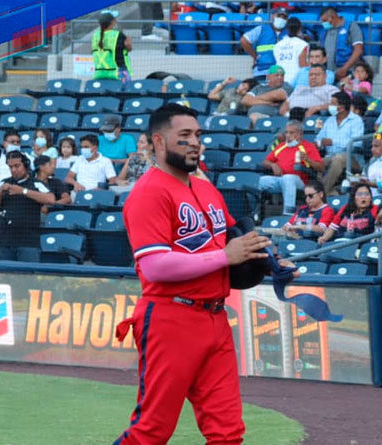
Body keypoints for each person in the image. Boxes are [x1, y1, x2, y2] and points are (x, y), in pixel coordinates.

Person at [115, 103, 297, 444]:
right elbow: (155, 266)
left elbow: (234, 241)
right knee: (151, 431)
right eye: (184, 135)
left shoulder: (205, 188)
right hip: (170, 318)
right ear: (157, 141)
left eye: (198, 135)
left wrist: (273, 263)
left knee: (227, 433)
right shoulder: (148, 193)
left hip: (214, 319)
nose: (195, 142)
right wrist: (225, 256)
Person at [0, 151, 55, 262]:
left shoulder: (35, 183)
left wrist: (23, 191)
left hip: (28, 241)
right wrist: (0, 194)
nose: (14, 170)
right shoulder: (3, 184)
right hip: (5, 241)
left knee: (28, 277)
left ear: (26, 165)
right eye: (10, 167)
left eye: (17, 166)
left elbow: (51, 199)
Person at [259, 120, 324, 214]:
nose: (288, 135)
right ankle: (254, 214)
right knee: (259, 181)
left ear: (300, 134)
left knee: (288, 178)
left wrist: (307, 159)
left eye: (291, 132)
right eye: (286, 132)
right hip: (279, 180)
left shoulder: (308, 147)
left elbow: (321, 167)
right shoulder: (281, 146)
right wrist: (273, 165)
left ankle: (288, 214)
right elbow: (265, 161)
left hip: (300, 182)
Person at [316, 92, 365, 194]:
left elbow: (356, 143)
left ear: (342, 107)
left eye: (333, 104)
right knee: (315, 162)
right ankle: (331, 192)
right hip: (329, 156)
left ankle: (322, 193)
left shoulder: (356, 120)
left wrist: (333, 142)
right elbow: (319, 138)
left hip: (352, 158)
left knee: (339, 158)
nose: (330, 106)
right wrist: (318, 143)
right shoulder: (330, 120)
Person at [317, 183, 382, 244]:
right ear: (353, 197)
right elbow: (332, 228)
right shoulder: (345, 208)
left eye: (367, 194)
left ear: (371, 197)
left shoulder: (374, 209)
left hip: (361, 244)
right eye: (359, 194)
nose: (363, 197)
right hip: (339, 242)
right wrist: (324, 238)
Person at [239, 7, 289, 81]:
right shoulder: (262, 29)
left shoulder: (289, 33)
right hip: (262, 71)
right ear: (273, 16)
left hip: (282, 72)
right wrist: (255, 56)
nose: (281, 19)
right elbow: (244, 40)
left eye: (284, 17)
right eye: (279, 16)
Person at [318, 6, 364, 79]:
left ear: (332, 17)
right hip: (329, 74)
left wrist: (344, 69)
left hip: (348, 72)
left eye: (324, 20)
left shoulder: (351, 26)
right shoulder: (324, 31)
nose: (323, 23)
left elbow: (358, 50)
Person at [92, 11, 132, 84]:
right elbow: (128, 48)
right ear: (113, 21)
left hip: (100, 73)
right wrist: (129, 45)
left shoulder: (95, 35)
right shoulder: (118, 35)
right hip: (117, 72)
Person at [273, 17, 308, 86]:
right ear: (300, 28)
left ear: (286, 28)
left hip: (280, 78)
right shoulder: (303, 44)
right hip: (295, 80)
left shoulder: (277, 45)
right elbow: (303, 65)